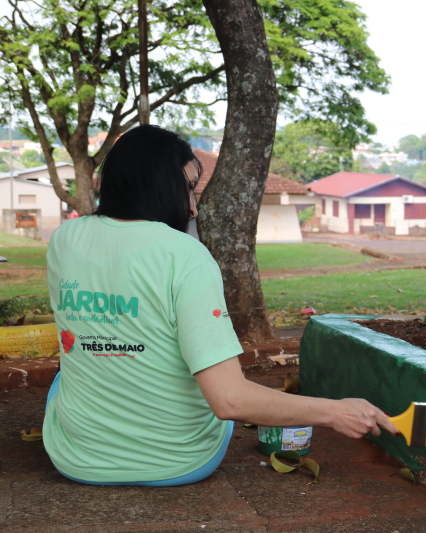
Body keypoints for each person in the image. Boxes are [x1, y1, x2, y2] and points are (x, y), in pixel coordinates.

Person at [44, 125, 398, 486]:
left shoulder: (65, 240)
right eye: (188, 188)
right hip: (178, 462)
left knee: (69, 369)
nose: (193, 209)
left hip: (75, 460)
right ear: (158, 183)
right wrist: (336, 411)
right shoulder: (187, 257)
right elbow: (230, 401)